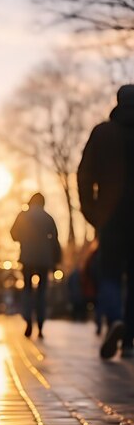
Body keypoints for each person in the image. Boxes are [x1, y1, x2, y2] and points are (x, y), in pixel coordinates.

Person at [77, 84, 134, 359]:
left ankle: (115, 320)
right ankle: (130, 341)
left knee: (109, 274)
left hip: (110, 216)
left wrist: (92, 211)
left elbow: (84, 174)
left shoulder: (102, 133)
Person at [10, 193, 61, 338]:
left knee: (27, 289)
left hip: (27, 257)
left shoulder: (23, 215)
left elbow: (13, 234)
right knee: (42, 291)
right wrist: (56, 261)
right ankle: (40, 324)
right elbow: (55, 240)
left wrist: (24, 239)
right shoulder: (48, 218)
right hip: (45, 260)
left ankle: (27, 321)